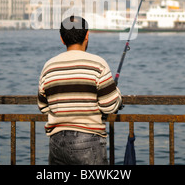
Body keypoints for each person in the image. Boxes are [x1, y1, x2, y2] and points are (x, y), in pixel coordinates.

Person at [37, 16, 122, 165]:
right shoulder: (98, 64)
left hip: (57, 141)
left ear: (62, 39)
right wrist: (118, 95)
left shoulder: (49, 66)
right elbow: (109, 106)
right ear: (87, 35)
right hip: (89, 140)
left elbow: (43, 107)